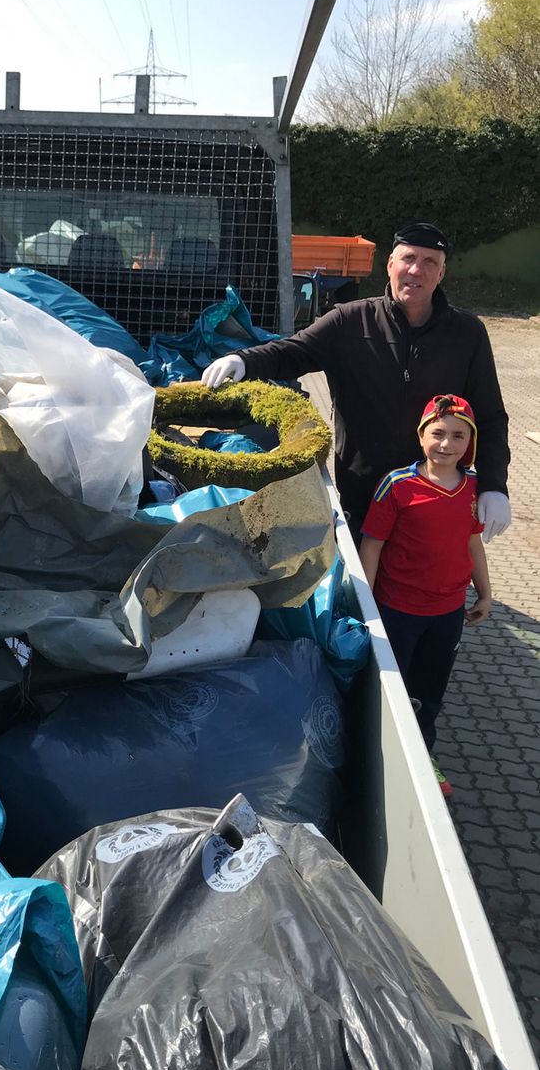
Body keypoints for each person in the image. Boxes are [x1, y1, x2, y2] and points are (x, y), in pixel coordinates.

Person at [200, 223, 511, 542]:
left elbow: (490, 416)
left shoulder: (467, 334)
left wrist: (493, 485)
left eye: (430, 262)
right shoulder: (349, 321)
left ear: (441, 273)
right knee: (363, 575)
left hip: (436, 501)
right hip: (363, 502)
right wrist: (243, 360)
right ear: (390, 264)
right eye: (408, 258)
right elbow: (292, 352)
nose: (416, 270)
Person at [358, 394, 491, 797]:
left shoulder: (474, 487)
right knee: (388, 687)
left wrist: (485, 593)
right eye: (438, 433)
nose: (446, 444)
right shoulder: (397, 485)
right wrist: (365, 605)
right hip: (397, 611)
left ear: (470, 442)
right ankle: (376, 759)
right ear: (421, 436)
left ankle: (422, 757)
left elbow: (473, 543)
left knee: (429, 691)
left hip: (448, 614)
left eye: (458, 436)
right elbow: (372, 545)